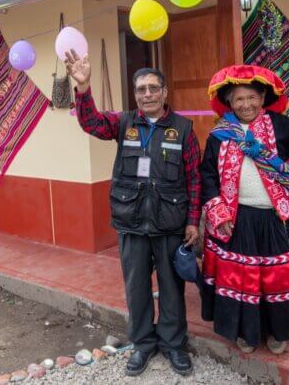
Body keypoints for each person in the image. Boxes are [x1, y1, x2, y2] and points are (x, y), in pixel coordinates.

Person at [64, 50, 201, 377]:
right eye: (141, 89)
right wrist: (83, 88)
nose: (147, 94)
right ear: (135, 94)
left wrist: (194, 221)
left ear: (165, 92)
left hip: (170, 224)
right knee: (136, 288)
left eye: (154, 88)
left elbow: (195, 177)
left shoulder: (182, 129)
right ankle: (143, 344)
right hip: (132, 224)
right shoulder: (123, 122)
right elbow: (91, 123)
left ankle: (173, 345)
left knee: (172, 289)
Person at [200, 64, 289, 355]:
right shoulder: (219, 135)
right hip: (238, 218)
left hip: (279, 218)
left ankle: (278, 331)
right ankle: (247, 332)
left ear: (262, 98)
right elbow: (208, 175)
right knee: (243, 281)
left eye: (251, 97)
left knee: (278, 279)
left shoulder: (281, 125)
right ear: (229, 102)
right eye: (239, 99)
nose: (246, 105)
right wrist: (217, 211)